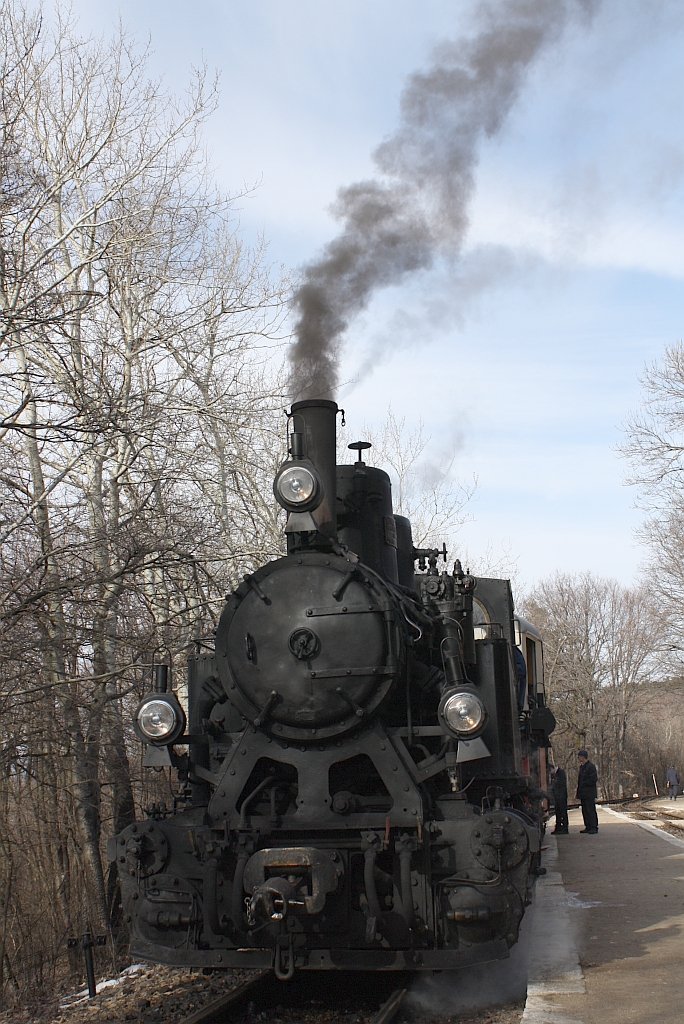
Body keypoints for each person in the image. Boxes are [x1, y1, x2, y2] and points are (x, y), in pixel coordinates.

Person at [576, 749, 598, 834]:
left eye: (579, 756)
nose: (578, 758)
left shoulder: (591, 766)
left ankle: (593, 827)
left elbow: (593, 779)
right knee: (584, 810)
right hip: (583, 793)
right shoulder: (582, 767)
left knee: (590, 810)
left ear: (583, 757)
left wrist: (585, 783)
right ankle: (588, 826)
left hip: (589, 793)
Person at [550, 765, 568, 834]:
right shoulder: (557, 774)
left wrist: (554, 782)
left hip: (562, 796)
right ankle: (558, 827)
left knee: (563, 812)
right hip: (558, 796)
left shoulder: (561, 773)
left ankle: (564, 828)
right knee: (558, 812)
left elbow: (560, 784)